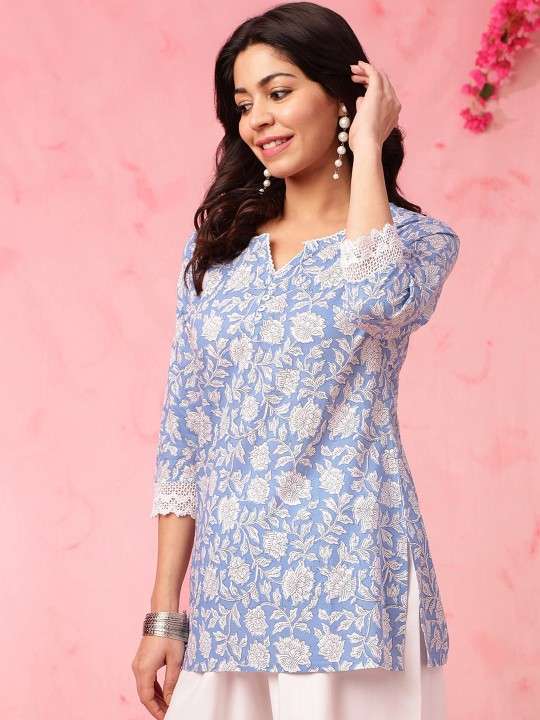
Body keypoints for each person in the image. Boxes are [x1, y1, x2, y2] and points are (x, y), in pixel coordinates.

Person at [131, 2, 460, 718]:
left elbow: (377, 298)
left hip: (350, 582)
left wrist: (367, 148)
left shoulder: (419, 242)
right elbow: (185, 436)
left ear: (344, 93)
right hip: (230, 594)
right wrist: (165, 613)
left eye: (278, 92)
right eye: (243, 104)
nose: (258, 120)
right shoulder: (216, 254)